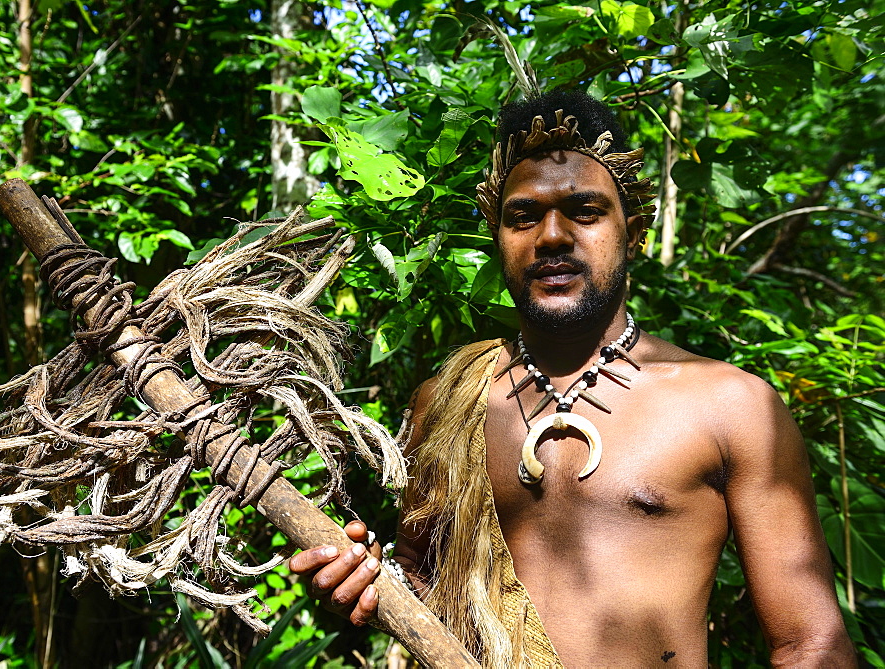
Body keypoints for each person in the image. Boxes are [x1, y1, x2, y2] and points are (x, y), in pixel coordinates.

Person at [289, 89, 856, 667]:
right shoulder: (448, 399)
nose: (552, 236)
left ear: (632, 232)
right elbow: (422, 583)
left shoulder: (731, 406)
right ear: (498, 239)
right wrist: (363, 584)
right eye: (524, 216)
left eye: (585, 211)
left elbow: (810, 644)